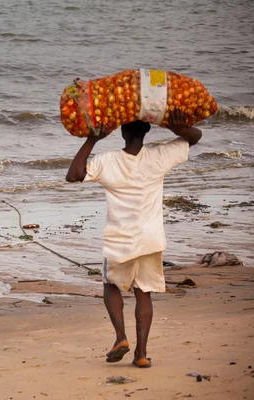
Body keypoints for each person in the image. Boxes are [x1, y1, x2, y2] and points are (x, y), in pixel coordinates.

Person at [65, 110, 202, 368]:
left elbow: (73, 175)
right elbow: (195, 137)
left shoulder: (109, 160)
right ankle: (141, 354)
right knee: (144, 293)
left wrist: (92, 140)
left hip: (120, 238)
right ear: (147, 130)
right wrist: (177, 126)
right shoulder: (159, 156)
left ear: (122, 131)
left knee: (110, 285)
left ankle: (120, 337)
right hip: (151, 237)